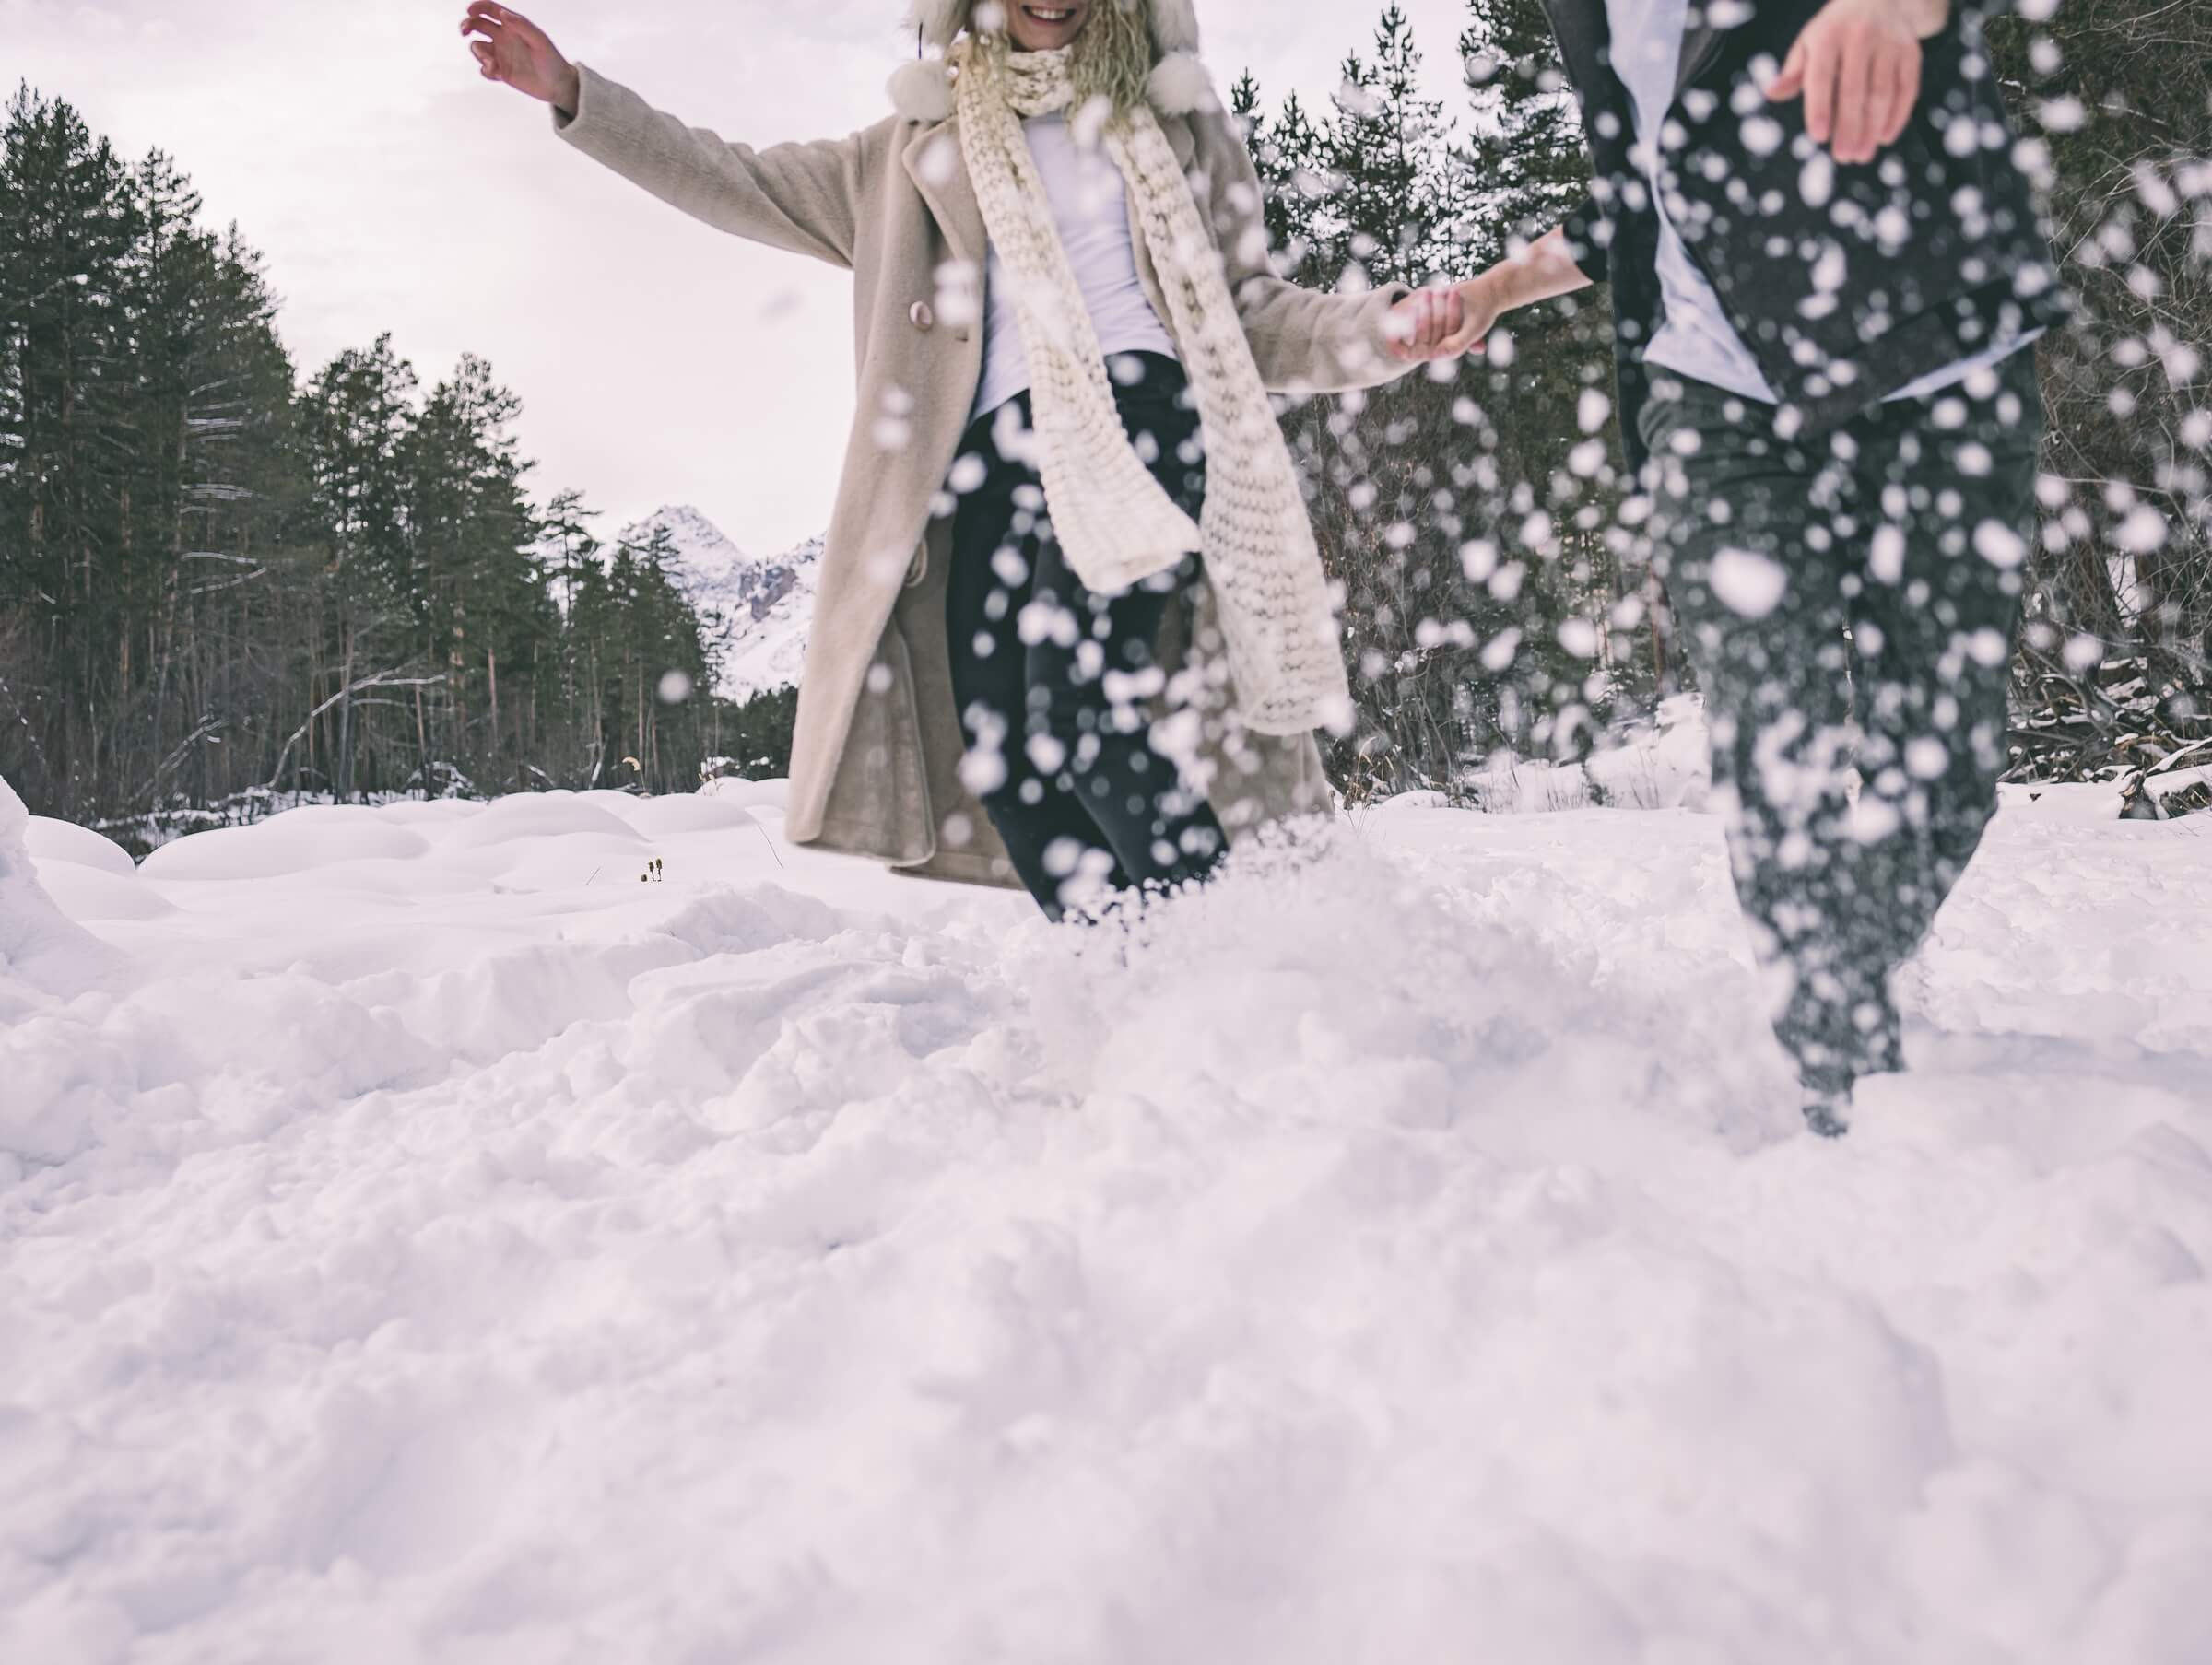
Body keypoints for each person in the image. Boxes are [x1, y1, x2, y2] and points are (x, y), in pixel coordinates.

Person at [463, 0, 1467, 920]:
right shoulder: (901, 156)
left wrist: (1379, 328)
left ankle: (1228, 953)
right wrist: (575, 93)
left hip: (1139, 416)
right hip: (986, 463)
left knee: (1082, 714)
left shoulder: (1177, 128)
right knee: (1007, 762)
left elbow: (1249, 308)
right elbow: (735, 178)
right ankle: (1142, 974)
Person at [1444, 0, 2069, 1132]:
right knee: (1776, 744)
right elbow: (1645, 178)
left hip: (1937, 357)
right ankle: (1840, 1090)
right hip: (1713, 395)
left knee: (1941, 769)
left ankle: (1845, 974)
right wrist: (1496, 288)